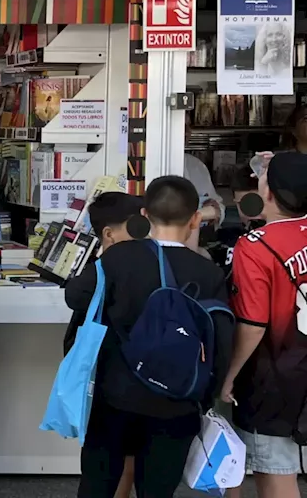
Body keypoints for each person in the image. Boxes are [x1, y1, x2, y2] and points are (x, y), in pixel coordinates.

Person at [65, 176, 233, 498]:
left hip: (114, 393)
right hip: (177, 401)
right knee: (158, 488)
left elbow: (76, 296)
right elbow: (220, 337)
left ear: (144, 216)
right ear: (196, 219)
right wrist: (209, 392)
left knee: (97, 482)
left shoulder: (119, 258)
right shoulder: (208, 273)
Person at [221, 151, 307, 498]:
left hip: (275, 377)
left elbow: (253, 324)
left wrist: (229, 375)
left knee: (275, 474)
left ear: (270, 192)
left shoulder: (256, 246)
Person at [64, 191, 143, 498]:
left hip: (117, 379)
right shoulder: (104, 267)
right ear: (108, 234)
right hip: (107, 380)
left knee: (116, 455)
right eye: (135, 225)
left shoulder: (108, 265)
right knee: (106, 458)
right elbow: (76, 297)